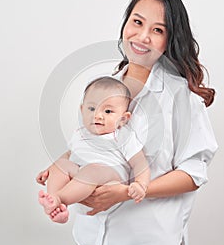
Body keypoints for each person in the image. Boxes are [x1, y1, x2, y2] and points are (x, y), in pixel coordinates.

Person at [37, 0, 218, 245]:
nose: (142, 36)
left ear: (169, 39)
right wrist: (60, 165)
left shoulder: (182, 98)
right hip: (92, 243)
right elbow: (89, 143)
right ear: (125, 23)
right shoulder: (106, 86)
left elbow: (193, 173)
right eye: (137, 22)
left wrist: (131, 191)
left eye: (157, 29)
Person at [38, 76, 150, 223]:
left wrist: (141, 184)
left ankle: (60, 199)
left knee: (93, 170)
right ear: (82, 110)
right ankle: (54, 204)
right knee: (62, 164)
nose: (97, 115)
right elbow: (70, 154)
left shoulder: (123, 136)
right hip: (81, 182)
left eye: (108, 111)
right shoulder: (80, 133)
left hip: (109, 181)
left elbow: (140, 163)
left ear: (123, 119)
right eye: (91, 108)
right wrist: (51, 169)